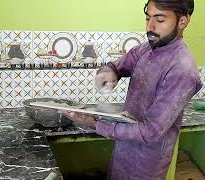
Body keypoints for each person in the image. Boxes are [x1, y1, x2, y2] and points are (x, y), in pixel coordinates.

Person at [62, 0, 203, 179]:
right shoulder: (148, 47)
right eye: (147, 18)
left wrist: (95, 124)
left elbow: (150, 132)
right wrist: (108, 72)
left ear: (183, 21)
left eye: (160, 20)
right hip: (124, 147)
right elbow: (117, 66)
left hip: (147, 162)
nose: (150, 27)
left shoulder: (182, 70)